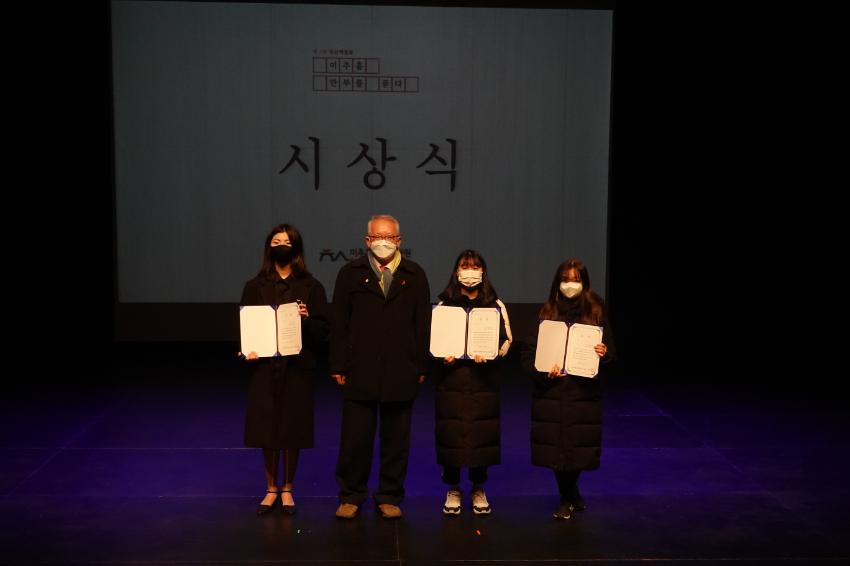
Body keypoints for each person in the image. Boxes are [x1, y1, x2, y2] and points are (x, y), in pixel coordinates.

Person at [330, 214, 431, 520]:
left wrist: (421, 365)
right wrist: (338, 364)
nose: (383, 242)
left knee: (396, 441)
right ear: (367, 241)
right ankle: (351, 495)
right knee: (355, 440)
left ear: (399, 241)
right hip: (359, 369)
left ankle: (389, 495)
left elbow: (423, 325)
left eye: (389, 237)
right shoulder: (350, 274)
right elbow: (339, 323)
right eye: (377, 237)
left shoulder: (415, 275)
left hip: (401, 369)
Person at [239, 224, 329, 516]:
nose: (281, 246)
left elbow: (323, 333)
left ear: (296, 248)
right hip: (264, 367)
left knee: (293, 428)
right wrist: (247, 349)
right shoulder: (254, 286)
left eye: (286, 242)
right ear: (269, 247)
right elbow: (246, 326)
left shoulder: (312, 286)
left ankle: (288, 487)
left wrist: (307, 318)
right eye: (276, 241)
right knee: (266, 428)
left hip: (297, 367)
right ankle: (270, 488)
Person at [520, 258, 615, 520]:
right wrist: (543, 371)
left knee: (579, 446)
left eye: (575, 280)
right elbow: (527, 355)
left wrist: (604, 352)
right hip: (552, 392)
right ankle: (566, 497)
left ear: (584, 282)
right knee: (557, 448)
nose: (570, 285)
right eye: (565, 280)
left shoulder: (596, 310)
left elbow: (611, 352)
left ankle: (572, 490)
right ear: (557, 282)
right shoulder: (546, 312)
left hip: (583, 393)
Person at [433, 250, 512, 515]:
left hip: (483, 383)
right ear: (456, 271)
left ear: (483, 271)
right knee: (451, 437)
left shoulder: (495, 305)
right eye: (465, 266)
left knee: (482, 437)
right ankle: (453, 488)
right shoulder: (444, 305)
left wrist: (491, 355)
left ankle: (478, 488)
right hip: (452, 383)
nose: (470, 271)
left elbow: (507, 341)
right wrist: (442, 357)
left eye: (475, 266)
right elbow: (432, 342)